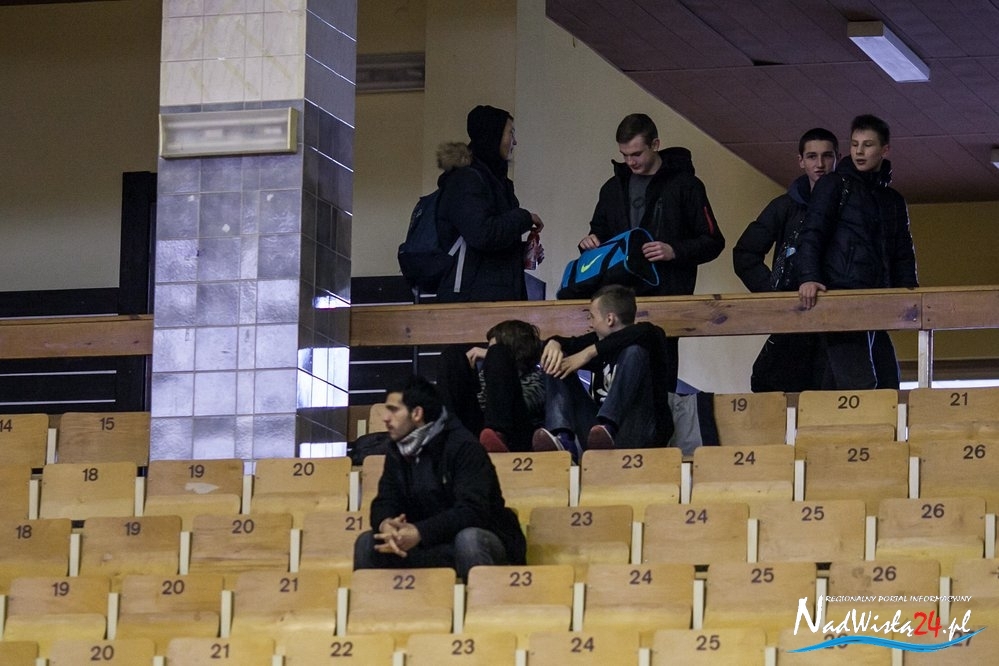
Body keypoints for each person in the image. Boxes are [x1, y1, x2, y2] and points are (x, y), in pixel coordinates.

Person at [578, 113, 724, 388]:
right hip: (618, 298)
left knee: (658, 376)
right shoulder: (612, 188)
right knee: (611, 379)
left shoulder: (686, 185)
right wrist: (589, 242)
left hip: (666, 297)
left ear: (655, 145)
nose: (630, 162)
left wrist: (674, 251)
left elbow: (713, 241)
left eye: (636, 154)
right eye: (624, 155)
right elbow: (598, 233)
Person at [353, 375, 526, 581]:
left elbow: (472, 511)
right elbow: (384, 500)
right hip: (425, 543)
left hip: (475, 539)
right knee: (367, 543)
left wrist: (420, 532)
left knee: (469, 540)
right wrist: (386, 524)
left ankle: (486, 600)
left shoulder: (464, 447)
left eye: (394, 410)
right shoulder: (397, 451)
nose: (386, 418)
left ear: (417, 413)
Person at [796, 114, 918, 390]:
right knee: (862, 382)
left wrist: (908, 292)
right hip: (840, 297)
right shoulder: (834, 184)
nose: (860, 152)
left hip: (876, 301)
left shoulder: (892, 200)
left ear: (884, 150)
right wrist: (808, 277)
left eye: (868, 145)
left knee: (885, 382)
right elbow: (812, 233)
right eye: (854, 144)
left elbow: (902, 251)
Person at [733, 127, 839, 392]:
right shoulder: (784, 207)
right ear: (801, 161)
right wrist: (773, 293)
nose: (820, 164)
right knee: (770, 384)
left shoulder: (851, 206)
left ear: (837, 158)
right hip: (793, 313)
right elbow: (745, 253)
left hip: (838, 313)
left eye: (827, 156)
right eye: (812, 156)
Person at [532, 285, 676, 460]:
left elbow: (648, 331)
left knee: (633, 351)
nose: (590, 323)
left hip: (640, 432)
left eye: (592, 317)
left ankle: (608, 426)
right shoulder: (599, 339)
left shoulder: (649, 339)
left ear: (609, 319)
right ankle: (563, 438)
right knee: (555, 359)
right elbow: (567, 343)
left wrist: (589, 353)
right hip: (597, 437)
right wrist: (554, 343)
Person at [435, 105, 543, 302]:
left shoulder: (493, 181)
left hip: (491, 295)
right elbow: (483, 233)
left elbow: (486, 248)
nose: (515, 141)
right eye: (510, 133)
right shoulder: (466, 180)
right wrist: (525, 217)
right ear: (492, 136)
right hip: (472, 301)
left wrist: (521, 253)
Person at [436, 319, 545, 453]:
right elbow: (477, 406)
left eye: (490, 348)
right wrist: (466, 374)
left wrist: (498, 357)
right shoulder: (484, 374)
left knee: (498, 353)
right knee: (452, 355)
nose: (487, 354)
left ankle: (498, 435)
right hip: (479, 434)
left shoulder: (537, 375)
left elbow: (528, 403)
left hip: (515, 435)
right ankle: (447, 436)